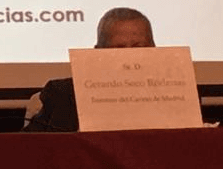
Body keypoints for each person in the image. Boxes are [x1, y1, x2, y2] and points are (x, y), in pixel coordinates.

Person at [23, 7, 155, 132]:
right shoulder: (63, 95)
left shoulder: (168, 92)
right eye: (118, 49)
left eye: (138, 47)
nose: (129, 56)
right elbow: (31, 145)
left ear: (154, 49)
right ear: (97, 53)